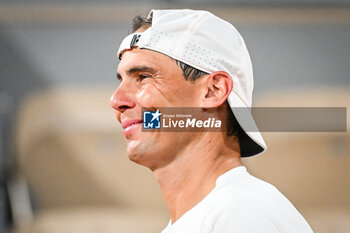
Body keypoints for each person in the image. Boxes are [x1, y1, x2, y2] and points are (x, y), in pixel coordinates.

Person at [110, 9, 313, 233]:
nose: (116, 100)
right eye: (121, 80)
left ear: (213, 90)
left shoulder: (242, 217)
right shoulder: (217, 215)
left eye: (144, 77)